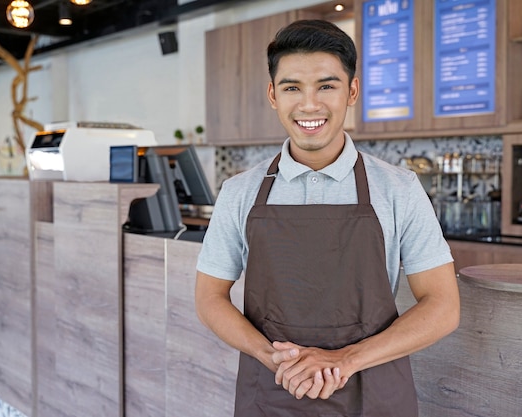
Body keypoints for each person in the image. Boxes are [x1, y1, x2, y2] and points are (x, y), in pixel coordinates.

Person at [195, 19, 460, 417]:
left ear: (351, 91)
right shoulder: (240, 192)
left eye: (326, 85)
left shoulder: (398, 188)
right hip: (272, 393)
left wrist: (345, 360)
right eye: (291, 88)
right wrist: (273, 358)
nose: (309, 105)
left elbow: (443, 305)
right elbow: (208, 297)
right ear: (272, 95)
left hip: (373, 394)